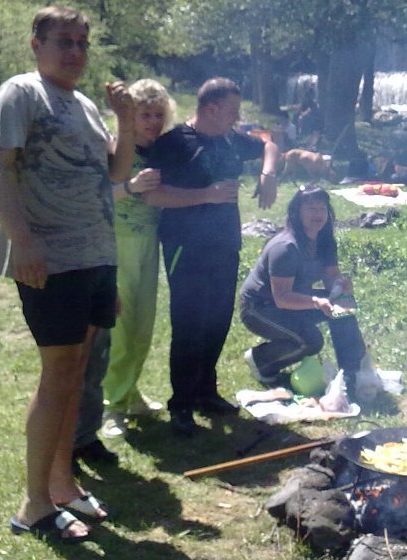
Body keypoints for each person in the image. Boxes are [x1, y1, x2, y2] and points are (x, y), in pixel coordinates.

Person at [0, 5, 135, 543]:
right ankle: (34, 505)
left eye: (81, 44)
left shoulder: (85, 104)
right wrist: (23, 240)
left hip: (95, 256)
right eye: (63, 41)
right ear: (36, 44)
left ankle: (62, 483)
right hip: (52, 256)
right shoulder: (21, 93)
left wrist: (125, 120)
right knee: (58, 375)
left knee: (76, 373)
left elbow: (116, 171)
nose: (74, 52)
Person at [144, 77, 279, 437]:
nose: (238, 118)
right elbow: (152, 196)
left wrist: (268, 174)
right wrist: (205, 194)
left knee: (217, 321)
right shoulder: (174, 143)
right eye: (233, 111)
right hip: (185, 247)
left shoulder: (231, 139)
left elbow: (269, 144)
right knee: (188, 325)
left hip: (225, 244)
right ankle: (181, 403)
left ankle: (206, 392)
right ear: (210, 108)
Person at [98, 79, 176, 439]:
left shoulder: (162, 150)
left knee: (144, 325)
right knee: (121, 327)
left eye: (159, 114)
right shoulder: (118, 147)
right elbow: (98, 198)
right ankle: (110, 407)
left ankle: (130, 393)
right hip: (119, 242)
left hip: (150, 242)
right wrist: (131, 186)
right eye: (145, 114)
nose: (152, 122)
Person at [239, 185, 366, 392]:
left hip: (291, 300)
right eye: (311, 209)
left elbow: (331, 276)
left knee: (343, 307)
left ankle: (353, 372)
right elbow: (281, 298)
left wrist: (340, 285)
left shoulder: (324, 240)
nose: (318, 214)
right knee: (311, 341)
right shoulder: (286, 247)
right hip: (259, 307)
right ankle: (261, 360)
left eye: (322, 209)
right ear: (297, 213)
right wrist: (316, 302)